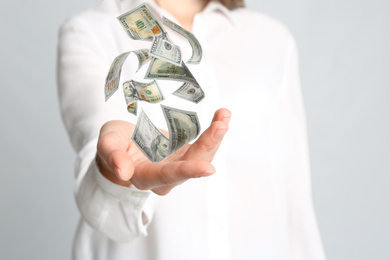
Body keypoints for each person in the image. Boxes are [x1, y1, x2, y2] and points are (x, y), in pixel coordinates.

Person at [57, 0, 327, 259]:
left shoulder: (271, 37)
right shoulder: (92, 30)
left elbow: (294, 193)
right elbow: (105, 206)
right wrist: (116, 173)